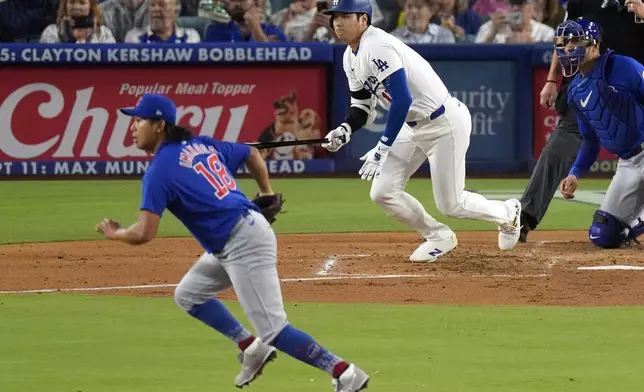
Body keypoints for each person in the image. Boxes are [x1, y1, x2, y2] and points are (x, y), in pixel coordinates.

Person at [95, 94, 369, 392]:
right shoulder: (201, 144)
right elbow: (251, 154)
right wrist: (265, 191)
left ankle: (344, 372)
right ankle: (251, 348)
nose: (132, 127)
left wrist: (116, 234)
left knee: (275, 330)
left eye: (138, 120)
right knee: (188, 295)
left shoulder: (159, 171)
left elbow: (144, 233)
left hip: (242, 243)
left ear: (159, 125)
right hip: (237, 238)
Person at [321, 0, 522, 263]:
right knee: (382, 192)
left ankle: (508, 212)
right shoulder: (350, 56)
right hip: (411, 125)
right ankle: (438, 236)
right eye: (335, 16)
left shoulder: (376, 45)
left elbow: (402, 100)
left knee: (452, 204)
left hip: (443, 123)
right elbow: (361, 105)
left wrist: (381, 148)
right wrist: (345, 129)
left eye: (345, 16)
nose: (337, 22)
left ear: (363, 19)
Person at [518, 0, 644, 242]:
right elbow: (565, 36)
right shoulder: (582, 1)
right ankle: (524, 218)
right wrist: (552, 79)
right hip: (590, 85)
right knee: (558, 147)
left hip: (633, 83)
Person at [554, 17, 644, 248]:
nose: (568, 48)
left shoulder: (623, 66)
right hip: (628, 162)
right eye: (564, 43)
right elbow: (590, 141)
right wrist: (575, 173)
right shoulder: (575, 90)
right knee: (603, 234)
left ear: (594, 45)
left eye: (575, 41)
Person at [474, 0, 555, 43]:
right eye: (511, 3)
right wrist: (491, 36)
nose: (515, 8)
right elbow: (474, 61)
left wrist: (533, 47)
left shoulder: (546, 33)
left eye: (520, 3)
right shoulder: (488, 29)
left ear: (531, 7)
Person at [203, 0, 286, 42]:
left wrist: (255, 28)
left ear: (256, 3)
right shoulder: (215, 31)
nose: (237, 4)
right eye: (232, 0)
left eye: (241, 0)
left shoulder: (274, 32)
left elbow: (271, 67)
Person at [40, 0, 116, 43]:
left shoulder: (103, 32)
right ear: (65, 6)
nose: (76, 7)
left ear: (90, 7)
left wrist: (90, 37)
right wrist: (65, 36)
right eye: (72, 2)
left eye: (82, 3)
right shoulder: (51, 31)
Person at [124, 0, 200, 43]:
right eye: (152, 5)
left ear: (176, 11)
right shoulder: (134, 38)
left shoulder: (190, 37)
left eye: (162, 5)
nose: (156, 9)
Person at [391, 0, 456, 44]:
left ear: (431, 11)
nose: (413, 11)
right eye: (409, 7)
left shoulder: (444, 35)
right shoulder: (393, 37)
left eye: (419, 7)